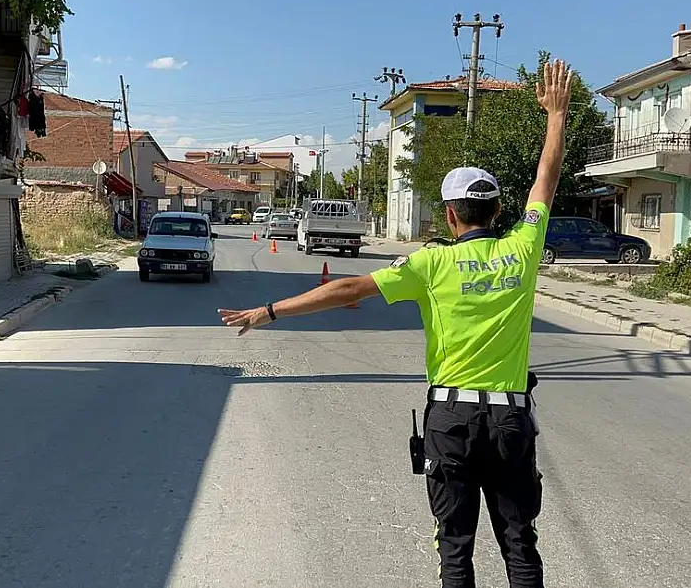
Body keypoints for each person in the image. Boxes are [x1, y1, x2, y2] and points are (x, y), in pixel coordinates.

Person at [218, 59, 573, 588]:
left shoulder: (430, 265)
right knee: (519, 544)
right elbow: (546, 181)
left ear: (449, 215)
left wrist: (269, 312)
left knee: (455, 548)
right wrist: (556, 116)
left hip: (451, 419)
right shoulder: (523, 250)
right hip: (510, 423)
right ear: (498, 211)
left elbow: (347, 290)